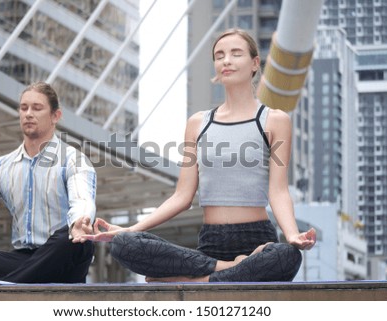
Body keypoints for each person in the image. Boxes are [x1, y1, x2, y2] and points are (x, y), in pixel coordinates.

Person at [74, 28, 316, 283]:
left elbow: (278, 191)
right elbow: (182, 196)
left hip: (257, 239)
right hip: (210, 244)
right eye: (219, 55)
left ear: (255, 63)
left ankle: (198, 281)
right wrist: (129, 229)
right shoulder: (198, 123)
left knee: (287, 256)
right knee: (124, 244)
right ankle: (224, 269)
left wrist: (291, 235)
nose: (226, 60)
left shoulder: (275, 120)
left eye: (236, 54)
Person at [0, 82, 96, 285]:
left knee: (73, 239)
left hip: (62, 259)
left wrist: (79, 224)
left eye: (37, 108)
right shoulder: (0, 167)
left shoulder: (74, 160)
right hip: (21, 261)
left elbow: (82, 200)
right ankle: (3, 286)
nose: (28, 113)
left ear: (56, 116)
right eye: (24, 108)